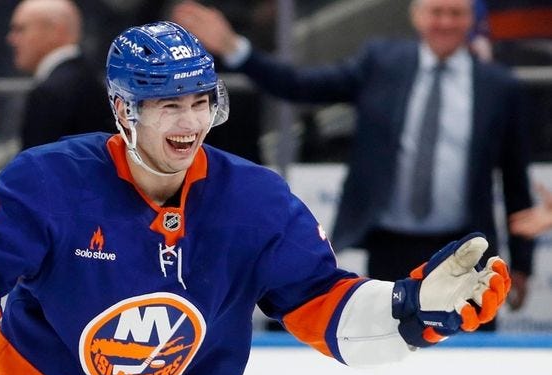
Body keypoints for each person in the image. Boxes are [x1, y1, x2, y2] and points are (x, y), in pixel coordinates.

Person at [0, 22, 511, 375]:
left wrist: (411, 309)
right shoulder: (51, 179)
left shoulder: (254, 201)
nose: (189, 124)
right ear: (124, 110)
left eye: (199, 103)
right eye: (169, 105)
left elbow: (322, 301)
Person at [172, 0, 534, 315]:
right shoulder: (382, 64)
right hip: (387, 246)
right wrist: (236, 49)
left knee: (469, 352)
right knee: (387, 344)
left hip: (467, 247)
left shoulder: (497, 86)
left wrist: (522, 264)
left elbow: (516, 179)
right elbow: (299, 85)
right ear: (417, 15)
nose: (445, 22)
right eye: (437, 11)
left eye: (456, 13)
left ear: (472, 19)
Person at [7, 0, 113, 149]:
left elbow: (38, 161)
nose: (11, 39)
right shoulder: (89, 81)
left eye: (20, 29)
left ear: (55, 31)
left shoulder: (50, 94)